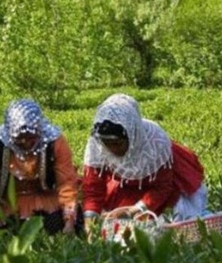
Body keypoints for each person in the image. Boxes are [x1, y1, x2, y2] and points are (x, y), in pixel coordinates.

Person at [82, 93, 208, 231]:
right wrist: (90, 221)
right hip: (125, 185)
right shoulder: (97, 146)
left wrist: (135, 210)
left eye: (117, 144)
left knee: (168, 226)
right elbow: (93, 188)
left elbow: (162, 187)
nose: (112, 150)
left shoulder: (156, 145)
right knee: (115, 224)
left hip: (160, 188)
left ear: (131, 135)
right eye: (107, 144)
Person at [0, 99, 80, 235]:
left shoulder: (55, 144)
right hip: (7, 205)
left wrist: (69, 220)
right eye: (20, 138)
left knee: (54, 224)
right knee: (5, 230)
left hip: (47, 202)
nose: (26, 143)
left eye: (31, 137)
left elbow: (67, 183)